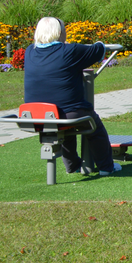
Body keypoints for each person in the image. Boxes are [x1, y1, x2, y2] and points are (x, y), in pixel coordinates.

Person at [23, 17, 121, 176]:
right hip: (67, 112)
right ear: (60, 33)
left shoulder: (30, 51)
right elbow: (98, 50)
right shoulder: (70, 51)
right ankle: (106, 167)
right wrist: (98, 43)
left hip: (34, 114)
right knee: (93, 126)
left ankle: (73, 165)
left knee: (63, 127)